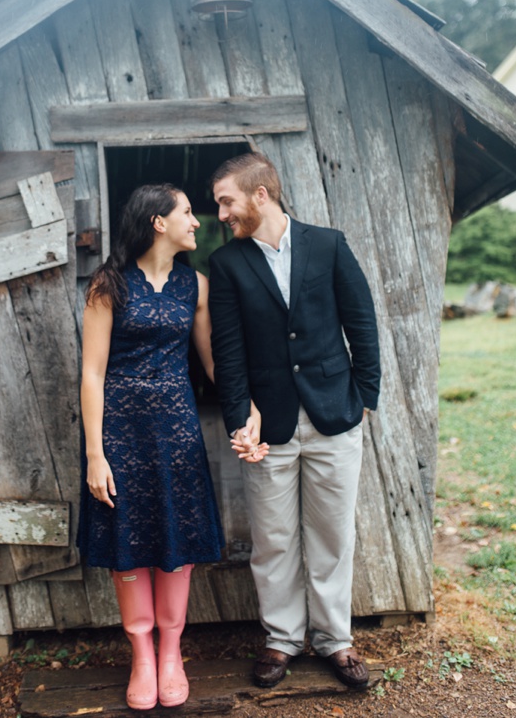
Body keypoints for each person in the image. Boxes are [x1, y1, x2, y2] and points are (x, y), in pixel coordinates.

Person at [206, 152, 379, 691]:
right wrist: (239, 419)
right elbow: (227, 351)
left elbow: (362, 320)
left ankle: (335, 640)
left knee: (332, 535)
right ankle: (281, 640)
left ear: (261, 194)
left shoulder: (328, 244)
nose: (221, 214)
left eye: (226, 200)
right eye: (216, 204)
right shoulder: (227, 264)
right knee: (274, 540)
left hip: (334, 416)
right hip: (268, 427)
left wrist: (365, 396)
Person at [76, 184, 230, 710]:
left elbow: (212, 367)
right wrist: (96, 454)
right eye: (188, 212)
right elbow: (92, 374)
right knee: (129, 544)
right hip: (119, 434)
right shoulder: (108, 285)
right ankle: (141, 655)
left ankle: (171, 655)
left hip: (177, 435)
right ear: (158, 222)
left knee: (176, 547)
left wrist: (246, 414)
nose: (197, 221)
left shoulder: (197, 286)